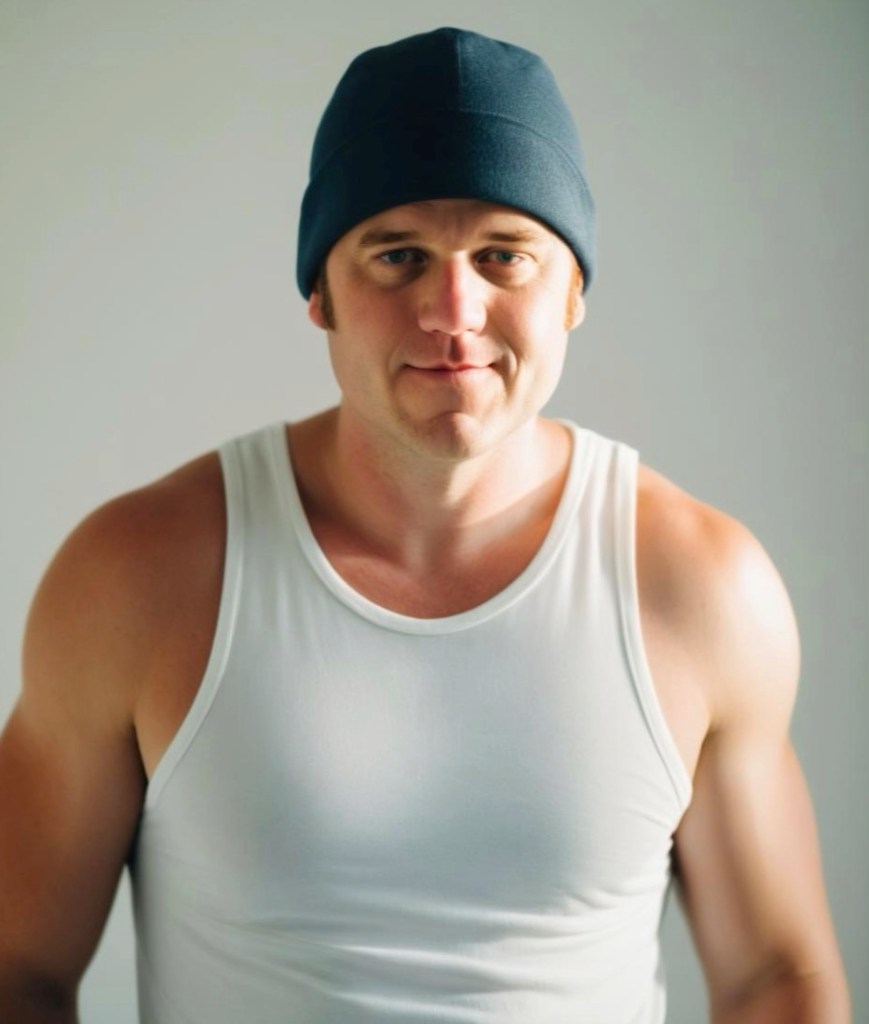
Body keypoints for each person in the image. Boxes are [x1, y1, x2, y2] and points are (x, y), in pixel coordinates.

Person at [0, 26, 850, 1024]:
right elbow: (17, 966)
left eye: (503, 256)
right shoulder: (138, 578)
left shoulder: (700, 588)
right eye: (397, 255)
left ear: (573, 290)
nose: (452, 311)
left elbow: (774, 977)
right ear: (319, 293)